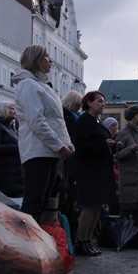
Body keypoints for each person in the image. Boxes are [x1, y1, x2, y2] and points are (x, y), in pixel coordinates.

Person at [10, 45, 74, 221]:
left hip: (49, 150)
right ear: (36, 60)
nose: (50, 61)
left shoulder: (43, 86)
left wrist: (66, 142)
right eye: (46, 57)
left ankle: (31, 242)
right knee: (33, 202)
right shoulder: (28, 85)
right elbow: (36, 120)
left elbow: (57, 120)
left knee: (42, 201)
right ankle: (24, 244)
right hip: (37, 150)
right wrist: (59, 145)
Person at [73, 91, 117, 256]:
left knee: (97, 206)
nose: (103, 104)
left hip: (99, 169)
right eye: (99, 101)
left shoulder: (95, 122)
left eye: (104, 102)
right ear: (89, 103)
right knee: (90, 206)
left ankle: (87, 240)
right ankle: (81, 240)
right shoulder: (84, 121)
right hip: (89, 170)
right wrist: (103, 143)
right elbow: (81, 145)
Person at [115, 105, 138, 225]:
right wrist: (130, 149)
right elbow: (117, 154)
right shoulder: (123, 133)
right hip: (129, 178)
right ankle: (125, 237)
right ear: (131, 116)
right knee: (128, 211)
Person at [59, 90, 83, 238]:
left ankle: (72, 232)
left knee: (72, 199)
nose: (78, 107)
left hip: (74, 160)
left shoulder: (75, 116)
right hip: (68, 161)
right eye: (77, 104)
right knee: (66, 199)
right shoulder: (66, 117)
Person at [0, 101, 23, 197]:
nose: (14, 111)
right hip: (5, 172)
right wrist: (18, 148)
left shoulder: (10, 127)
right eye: (12, 109)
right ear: (4, 110)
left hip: (14, 171)